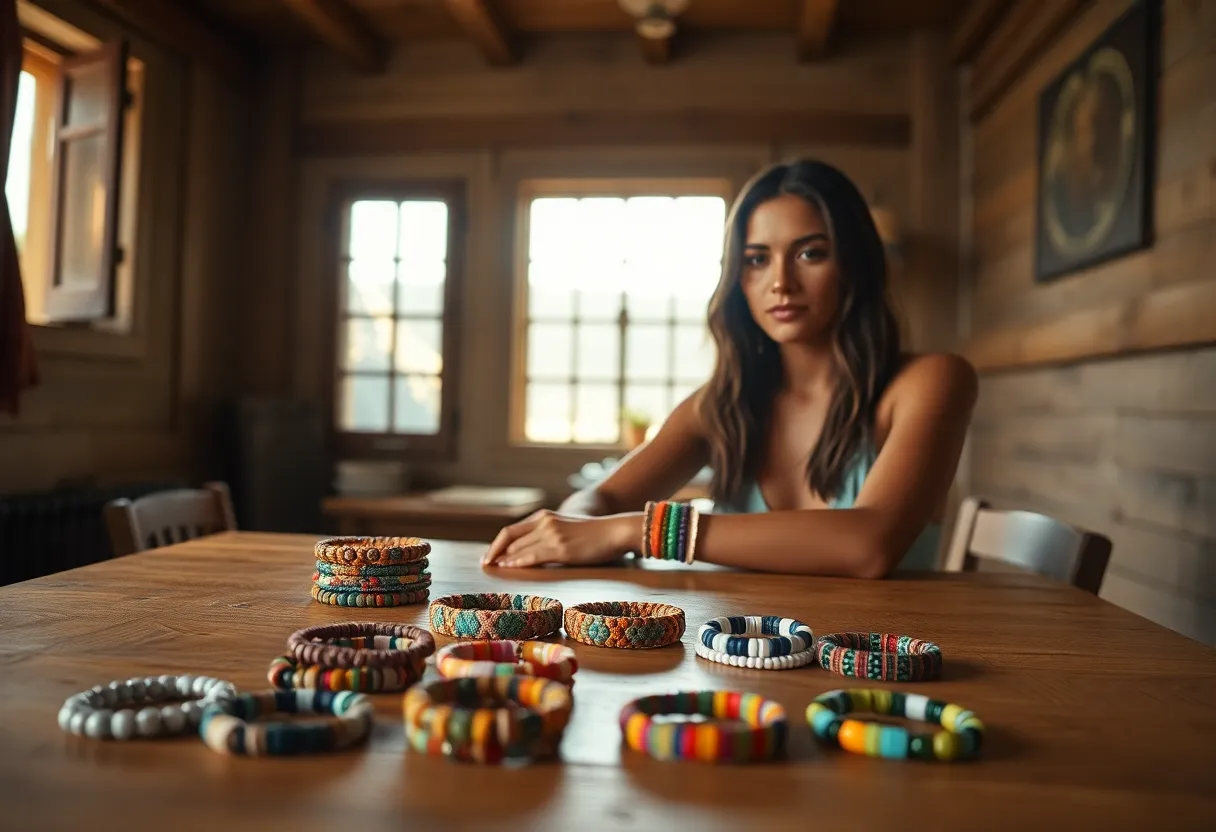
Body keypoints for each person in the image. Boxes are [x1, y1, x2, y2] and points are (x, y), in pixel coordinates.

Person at [483, 159, 977, 577]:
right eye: (757, 259)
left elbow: (869, 545)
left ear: (855, 264)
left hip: (876, 665)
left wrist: (634, 531)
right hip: (738, 656)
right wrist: (580, 529)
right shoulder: (720, 404)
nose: (780, 282)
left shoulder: (930, 382)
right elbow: (596, 503)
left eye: (810, 253)